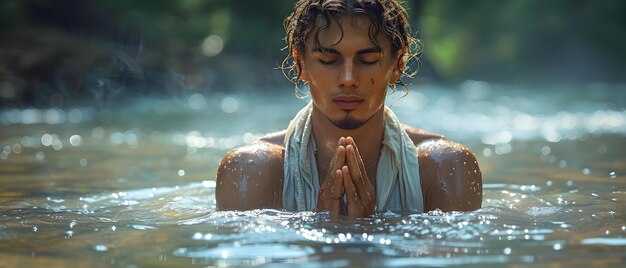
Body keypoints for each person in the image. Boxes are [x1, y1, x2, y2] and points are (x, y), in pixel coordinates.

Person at [215, 0, 482, 217]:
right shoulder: (252, 170)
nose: (348, 78)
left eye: (367, 60)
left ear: (397, 65)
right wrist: (325, 229)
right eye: (328, 60)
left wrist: (363, 230)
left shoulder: (445, 167)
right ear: (300, 64)